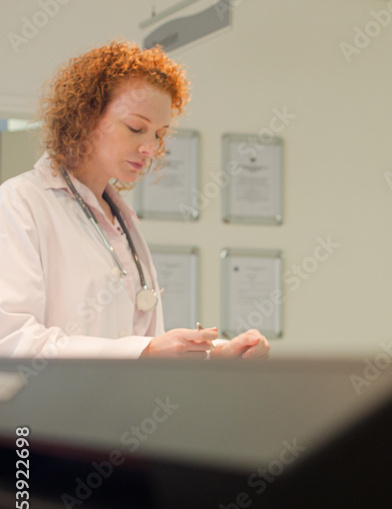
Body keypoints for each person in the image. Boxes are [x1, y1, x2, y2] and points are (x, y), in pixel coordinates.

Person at [0, 40, 269, 360]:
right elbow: (13, 340)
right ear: (86, 117)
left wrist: (215, 357)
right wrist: (144, 351)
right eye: (136, 128)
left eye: (158, 134)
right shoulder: (20, 204)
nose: (151, 148)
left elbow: (145, 346)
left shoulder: (121, 220)